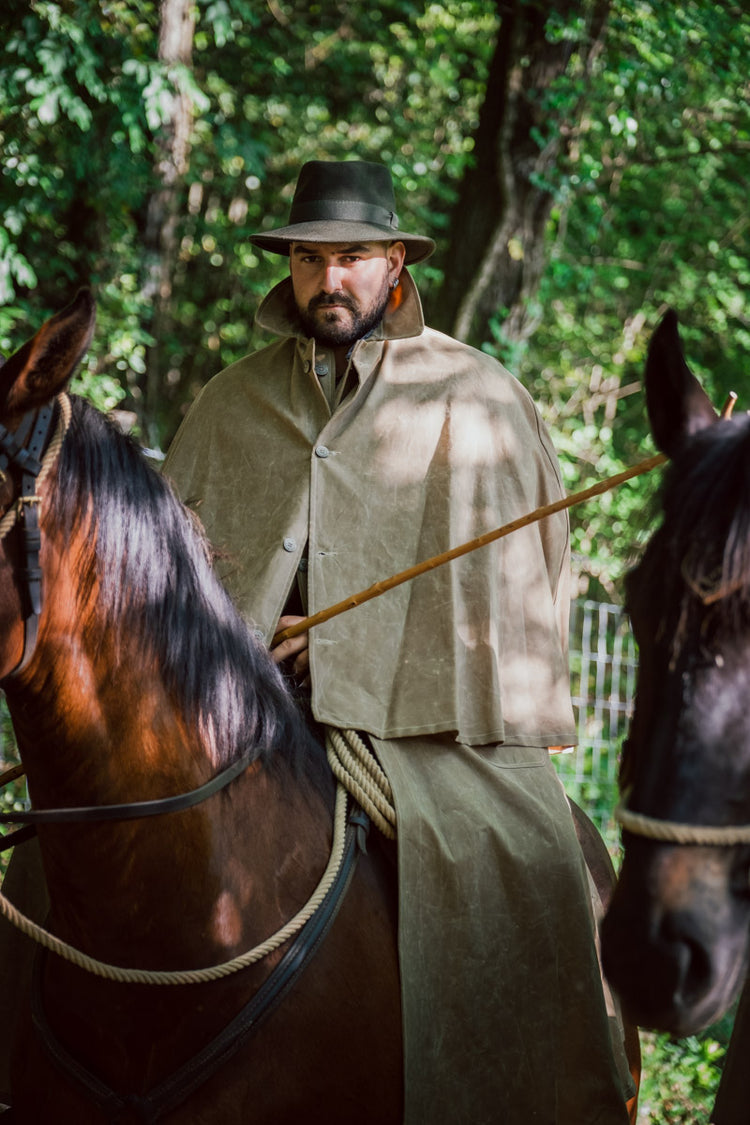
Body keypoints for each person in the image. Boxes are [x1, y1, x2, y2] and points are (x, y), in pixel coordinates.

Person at [164, 158, 633, 1124]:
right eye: (309, 258)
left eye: (351, 257)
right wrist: (251, 628)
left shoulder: (477, 397)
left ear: (394, 264)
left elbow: (517, 597)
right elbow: (165, 577)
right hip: (234, 715)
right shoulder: (227, 404)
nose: (328, 278)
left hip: (422, 727)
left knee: (533, 859)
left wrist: (348, 642)